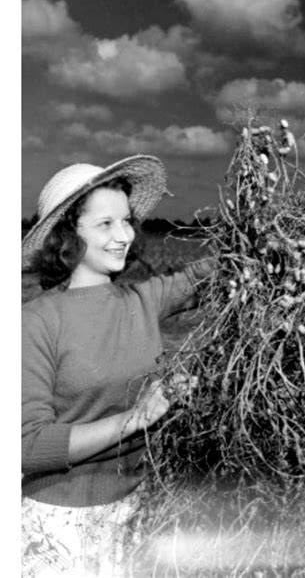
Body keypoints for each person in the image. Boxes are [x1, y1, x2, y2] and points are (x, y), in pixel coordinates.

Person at [21, 154, 214, 577]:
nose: (123, 235)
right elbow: (27, 446)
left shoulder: (141, 300)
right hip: (61, 526)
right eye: (105, 224)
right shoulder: (35, 322)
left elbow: (211, 275)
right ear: (67, 235)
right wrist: (135, 419)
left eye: (126, 221)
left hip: (137, 514)